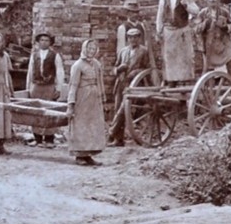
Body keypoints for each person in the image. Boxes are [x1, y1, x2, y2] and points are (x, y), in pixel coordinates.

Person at [108, 25, 154, 146]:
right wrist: (118, 69)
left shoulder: (144, 51)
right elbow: (114, 68)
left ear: (139, 38)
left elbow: (149, 69)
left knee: (124, 109)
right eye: (130, 37)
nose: (133, 40)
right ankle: (118, 139)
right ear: (127, 39)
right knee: (117, 108)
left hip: (135, 85)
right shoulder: (123, 51)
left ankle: (111, 132)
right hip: (121, 83)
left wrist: (136, 72)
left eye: (135, 37)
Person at [67, 38, 107, 166]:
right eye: (89, 48)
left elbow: (100, 82)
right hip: (82, 99)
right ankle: (80, 155)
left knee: (92, 125)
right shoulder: (77, 65)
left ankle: (89, 155)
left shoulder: (97, 64)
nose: (91, 51)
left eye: (94, 49)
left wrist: (102, 98)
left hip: (94, 100)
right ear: (84, 49)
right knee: (81, 125)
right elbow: (73, 85)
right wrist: (71, 104)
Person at [155, 0, 195, 86]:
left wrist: (187, 6)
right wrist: (158, 31)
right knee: (169, 57)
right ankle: (171, 81)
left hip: (182, 30)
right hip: (169, 31)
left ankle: (184, 80)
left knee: (184, 56)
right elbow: (160, 15)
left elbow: (196, 11)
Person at [25, 32, 67, 144]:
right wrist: (28, 88)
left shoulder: (55, 55)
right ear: (38, 42)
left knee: (49, 111)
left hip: (49, 87)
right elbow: (30, 71)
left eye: (47, 40)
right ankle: (37, 138)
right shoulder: (34, 55)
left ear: (50, 42)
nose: (44, 42)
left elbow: (60, 71)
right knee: (36, 111)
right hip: (36, 86)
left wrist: (59, 88)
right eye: (42, 40)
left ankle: (49, 138)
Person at [195, 0, 231, 74]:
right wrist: (205, 23)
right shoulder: (202, 13)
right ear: (207, 0)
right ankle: (209, 80)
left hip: (223, 42)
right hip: (209, 43)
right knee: (208, 65)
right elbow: (196, 29)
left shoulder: (224, 12)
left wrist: (225, 27)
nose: (213, 0)